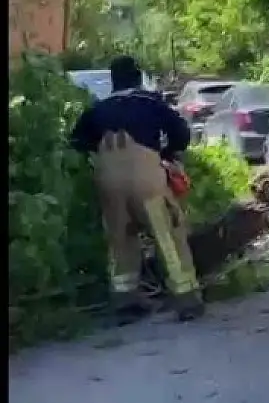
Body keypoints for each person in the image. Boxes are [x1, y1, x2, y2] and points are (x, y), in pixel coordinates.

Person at [69, 56, 203, 324]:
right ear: (138, 77)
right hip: (146, 178)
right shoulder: (150, 102)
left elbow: (76, 141)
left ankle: (126, 301)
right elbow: (181, 134)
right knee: (167, 235)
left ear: (113, 81)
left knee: (120, 238)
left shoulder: (98, 109)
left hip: (108, 180)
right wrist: (166, 152)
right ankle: (186, 298)